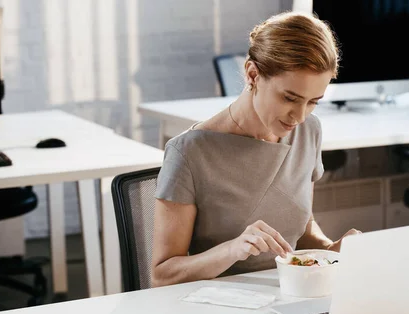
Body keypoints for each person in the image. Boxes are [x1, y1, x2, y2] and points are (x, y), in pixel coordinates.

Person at [152, 11, 361, 287]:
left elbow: (302, 228)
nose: (299, 116)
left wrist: (334, 250)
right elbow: (162, 275)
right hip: (217, 306)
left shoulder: (308, 131)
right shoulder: (189, 152)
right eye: (290, 98)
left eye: (313, 102)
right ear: (253, 74)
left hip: (287, 295)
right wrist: (232, 249)